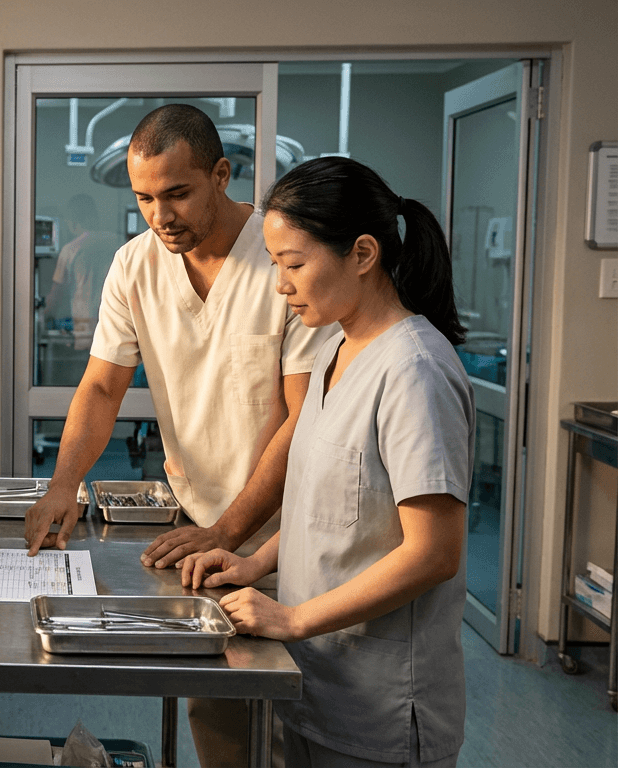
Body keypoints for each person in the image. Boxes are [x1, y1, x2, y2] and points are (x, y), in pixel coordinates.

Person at [23, 103, 336, 766]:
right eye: (144, 198)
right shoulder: (135, 266)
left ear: (221, 175)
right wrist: (62, 485)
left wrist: (230, 530)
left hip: (287, 535)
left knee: (294, 720)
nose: (160, 215)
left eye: (177, 193)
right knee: (215, 704)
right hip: (203, 532)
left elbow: (302, 417)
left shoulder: (282, 262)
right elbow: (101, 388)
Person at [181, 156, 473, 768]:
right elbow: (325, 508)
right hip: (320, 685)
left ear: (362, 254)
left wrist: (292, 619)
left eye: (293, 265)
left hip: (381, 706)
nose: (280, 285)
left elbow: (433, 553)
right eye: (275, 265)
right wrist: (253, 562)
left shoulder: (414, 371)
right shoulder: (335, 352)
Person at [44, 193, 126, 351]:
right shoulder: (119, 242)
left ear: (73, 222)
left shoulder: (70, 250)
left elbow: (56, 295)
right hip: (118, 332)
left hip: (85, 331)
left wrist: (39, 318)